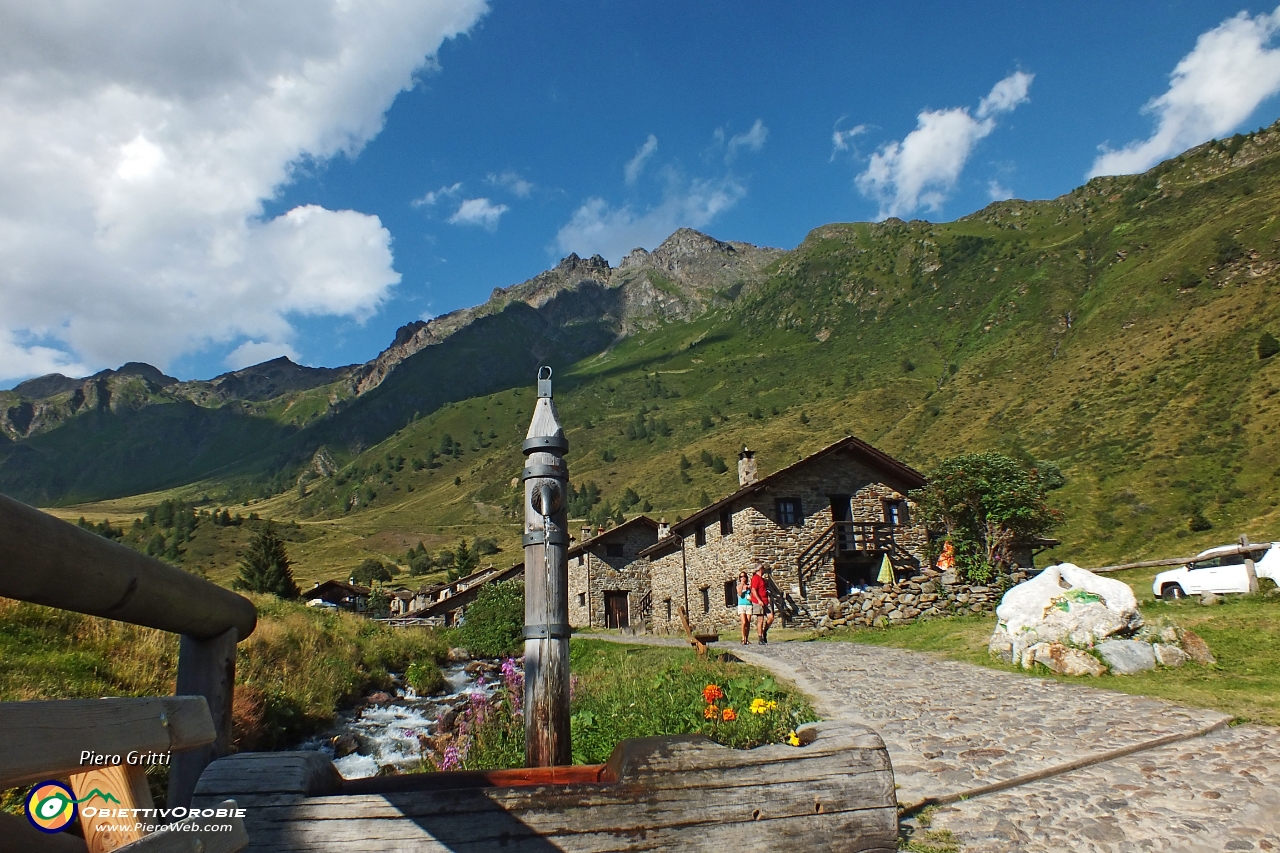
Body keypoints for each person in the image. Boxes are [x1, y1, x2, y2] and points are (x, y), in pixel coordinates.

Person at [749, 563, 774, 644]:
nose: (764, 570)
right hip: (758, 602)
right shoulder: (755, 578)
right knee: (761, 620)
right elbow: (753, 590)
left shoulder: (762, 579)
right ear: (760, 569)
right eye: (763, 568)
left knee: (771, 617)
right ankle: (760, 638)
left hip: (765, 600)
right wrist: (759, 600)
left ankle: (764, 632)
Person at [736, 571, 752, 645]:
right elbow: (739, 593)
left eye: (744, 576)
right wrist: (742, 585)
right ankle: (743, 638)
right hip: (741, 605)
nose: (743, 578)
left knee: (748, 622)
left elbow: (752, 594)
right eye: (741, 577)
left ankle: (746, 638)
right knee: (744, 622)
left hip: (748, 604)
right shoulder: (739, 586)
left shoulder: (749, 586)